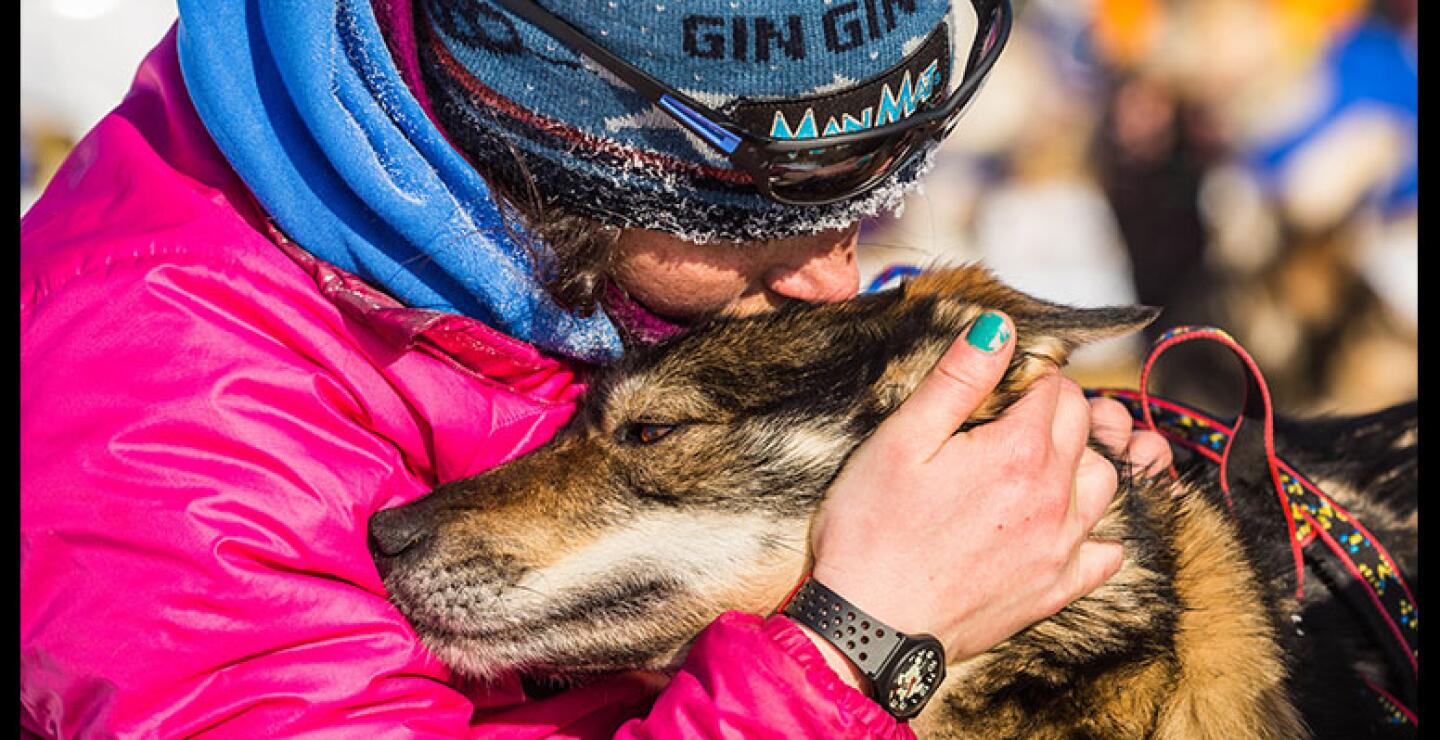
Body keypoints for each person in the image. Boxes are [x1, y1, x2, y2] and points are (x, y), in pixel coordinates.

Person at [19, 0, 1171, 736]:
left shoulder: (566, 243)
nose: (834, 274)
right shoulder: (160, 400)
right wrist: (857, 644)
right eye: (769, 211)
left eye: (880, 183)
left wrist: (995, 476)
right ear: (568, 152)